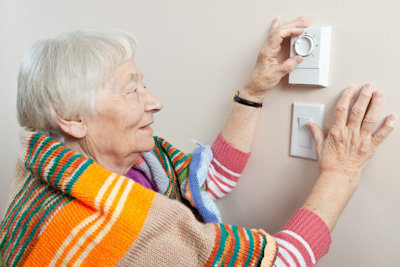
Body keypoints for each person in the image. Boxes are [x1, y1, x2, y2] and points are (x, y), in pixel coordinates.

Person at [0, 16, 396, 266]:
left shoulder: (133, 169)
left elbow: (208, 182)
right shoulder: (100, 229)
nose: (155, 102)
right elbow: (282, 263)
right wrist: (343, 171)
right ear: (70, 118)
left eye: (145, 85)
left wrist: (253, 91)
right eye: (131, 90)